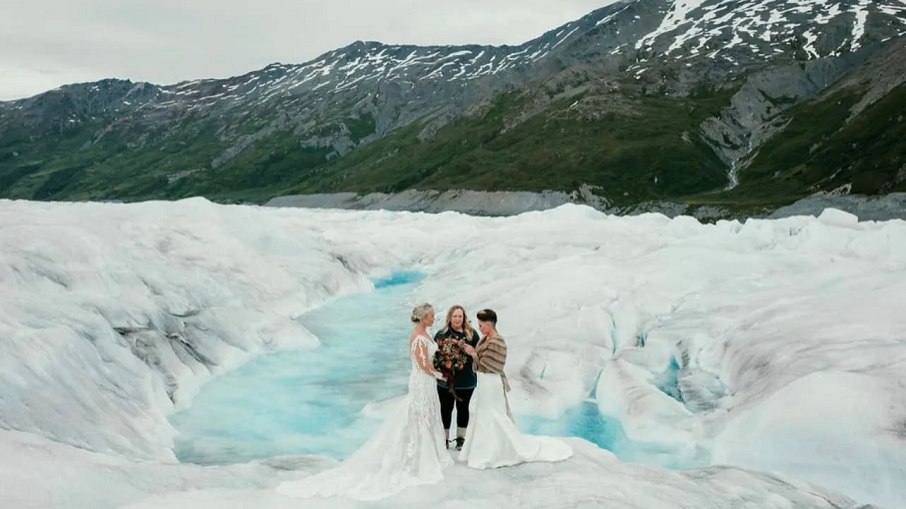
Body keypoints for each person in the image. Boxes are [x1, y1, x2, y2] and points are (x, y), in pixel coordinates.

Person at [276, 303, 452, 500]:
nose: (433, 318)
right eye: (430, 316)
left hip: (427, 383)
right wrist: (440, 374)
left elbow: (431, 358)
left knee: (427, 414)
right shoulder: (418, 338)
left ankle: (429, 454)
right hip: (422, 382)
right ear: (422, 318)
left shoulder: (426, 334)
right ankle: (417, 458)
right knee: (418, 415)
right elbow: (422, 365)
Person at [459, 309, 573, 469]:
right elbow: (481, 361)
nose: (480, 328)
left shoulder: (497, 341)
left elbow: (493, 365)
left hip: (492, 383)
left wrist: (474, 354)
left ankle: (498, 451)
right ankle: (485, 450)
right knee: (484, 415)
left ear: (489, 324)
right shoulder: (486, 339)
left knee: (495, 414)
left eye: (481, 325)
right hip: (484, 383)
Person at [434, 304, 481, 450]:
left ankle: (461, 439)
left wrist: (473, 353)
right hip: (446, 381)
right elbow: (434, 357)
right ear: (450, 317)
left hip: (466, 380)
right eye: (455, 316)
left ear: (464, 317)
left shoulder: (472, 335)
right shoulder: (441, 334)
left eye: (460, 316)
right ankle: (444, 439)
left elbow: (480, 357)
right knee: (445, 409)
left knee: (463, 408)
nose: (457, 319)